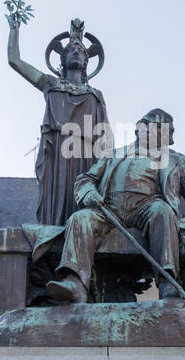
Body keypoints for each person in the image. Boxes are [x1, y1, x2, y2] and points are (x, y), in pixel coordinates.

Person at [46, 108, 185, 303]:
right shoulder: (114, 155)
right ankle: (75, 284)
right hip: (108, 210)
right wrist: (88, 192)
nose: (151, 131)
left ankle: (168, 283)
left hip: (147, 207)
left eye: (160, 129)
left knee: (163, 211)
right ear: (139, 128)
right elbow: (86, 179)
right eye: (149, 126)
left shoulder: (177, 161)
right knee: (80, 218)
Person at [8, 17, 110, 225]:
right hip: (58, 154)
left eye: (80, 51)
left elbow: (106, 136)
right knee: (57, 206)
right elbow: (15, 61)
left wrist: (108, 167)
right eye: (71, 50)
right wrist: (14, 30)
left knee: (83, 209)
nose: (75, 52)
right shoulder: (50, 84)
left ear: (86, 62)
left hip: (87, 156)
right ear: (62, 60)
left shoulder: (95, 94)